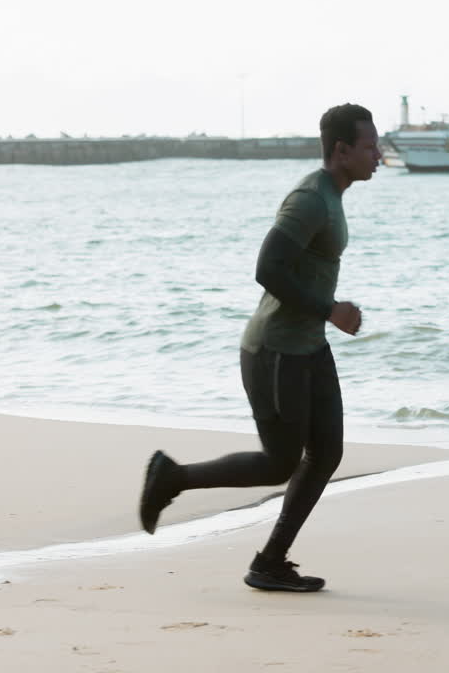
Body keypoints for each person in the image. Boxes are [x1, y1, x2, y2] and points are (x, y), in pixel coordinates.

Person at [138, 103, 380, 593]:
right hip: (275, 351)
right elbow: (267, 267)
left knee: (327, 452)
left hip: (308, 346)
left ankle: (270, 561)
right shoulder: (311, 197)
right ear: (342, 151)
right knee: (280, 462)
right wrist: (330, 309)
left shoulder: (333, 195)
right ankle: (172, 477)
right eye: (370, 146)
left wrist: (323, 318)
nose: (379, 155)